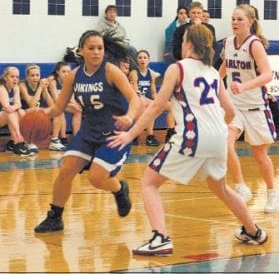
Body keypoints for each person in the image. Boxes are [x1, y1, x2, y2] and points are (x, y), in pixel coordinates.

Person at [108, 24, 268, 256]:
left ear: (189, 43)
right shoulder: (213, 73)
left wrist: (130, 134)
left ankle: (160, 238)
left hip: (193, 136)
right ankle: (254, 231)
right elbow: (231, 110)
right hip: (218, 137)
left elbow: (155, 107)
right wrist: (216, 126)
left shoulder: (178, 68)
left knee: (149, 182)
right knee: (220, 187)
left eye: (183, 41)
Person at [34, 30, 141, 233]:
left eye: (100, 48)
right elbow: (57, 108)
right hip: (88, 132)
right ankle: (55, 217)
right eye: (91, 48)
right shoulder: (74, 76)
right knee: (66, 171)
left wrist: (129, 117)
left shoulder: (111, 71)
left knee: (96, 178)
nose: (96, 52)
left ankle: (119, 189)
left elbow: (135, 99)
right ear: (81, 51)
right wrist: (39, 115)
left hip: (114, 134)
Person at [219, 4, 278, 212]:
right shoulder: (227, 42)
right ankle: (241, 186)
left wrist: (244, 86)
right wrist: (214, 82)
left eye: (239, 19)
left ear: (250, 22)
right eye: (233, 19)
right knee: (225, 145)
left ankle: (272, 193)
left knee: (259, 155)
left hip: (255, 107)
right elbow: (225, 66)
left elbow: (268, 75)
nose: (234, 22)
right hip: (233, 106)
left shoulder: (255, 44)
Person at [129, 50, 176, 146]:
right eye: (140, 57)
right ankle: (149, 136)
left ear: (149, 60)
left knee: (172, 106)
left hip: (149, 100)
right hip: (138, 100)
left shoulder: (151, 74)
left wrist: (164, 99)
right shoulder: (134, 73)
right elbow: (135, 91)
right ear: (137, 60)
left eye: (145, 57)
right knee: (152, 107)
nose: (142, 60)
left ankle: (170, 133)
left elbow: (154, 93)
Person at [19, 64, 66, 152]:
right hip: (25, 112)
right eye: (32, 75)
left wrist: (45, 90)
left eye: (37, 75)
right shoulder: (22, 85)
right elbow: (32, 105)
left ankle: (54, 141)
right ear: (27, 76)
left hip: (38, 111)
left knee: (57, 110)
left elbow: (52, 104)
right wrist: (40, 87)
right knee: (35, 110)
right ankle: (29, 142)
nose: (35, 78)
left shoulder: (41, 85)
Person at [172, 1, 218, 68]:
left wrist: (199, 28)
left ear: (202, 14)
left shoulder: (210, 28)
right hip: (186, 64)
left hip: (204, 63)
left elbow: (212, 47)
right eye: (193, 13)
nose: (196, 15)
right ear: (189, 14)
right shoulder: (180, 29)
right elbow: (176, 51)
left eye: (199, 13)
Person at [0, 67, 33, 156]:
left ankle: (15, 144)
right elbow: (6, 107)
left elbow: (19, 105)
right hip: (4, 115)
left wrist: (14, 107)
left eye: (17, 77)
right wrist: (14, 107)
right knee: (10, 113)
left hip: (6, 115)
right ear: (5, 77)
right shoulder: (1, 88)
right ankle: (18, 140)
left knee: (21, 111)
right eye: (12, 76)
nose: (15, 79)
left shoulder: (16, 88)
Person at [48, 61, 82, 145]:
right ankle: (63, 137)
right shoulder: (53, 81)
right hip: (51, 105)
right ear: (57, 72)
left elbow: (72, 99)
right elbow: (56, 100)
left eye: (68, 72)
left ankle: (76, 137)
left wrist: (77, 105)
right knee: (61, 109)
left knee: (78, 110)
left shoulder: (70, 81)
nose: (66, 74)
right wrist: (69, 104)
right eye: (63, 71)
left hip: (63, 104)